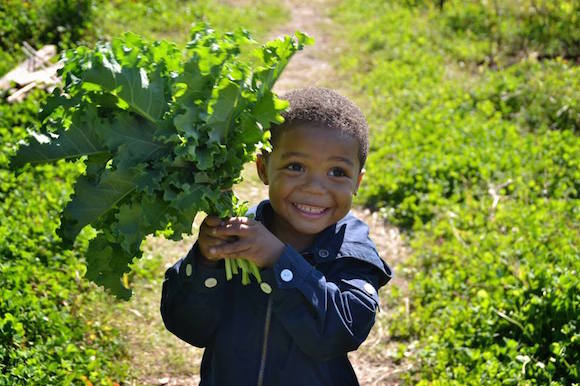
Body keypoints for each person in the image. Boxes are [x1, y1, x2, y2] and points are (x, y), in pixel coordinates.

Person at [160, 87, 392, 386]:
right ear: (263, 168)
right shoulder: (239, 234)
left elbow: (342, 331)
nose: (315, 188)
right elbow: (188, 326)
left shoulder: (352, 249)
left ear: (357, 181)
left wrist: (278, 260)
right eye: (296, 167)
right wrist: (206, 262)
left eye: (337, 172)